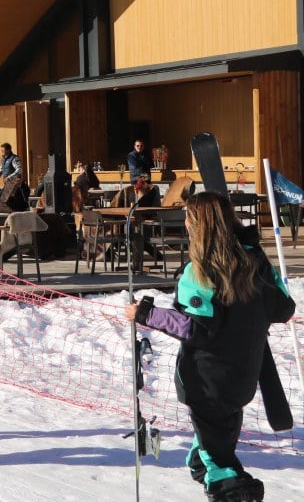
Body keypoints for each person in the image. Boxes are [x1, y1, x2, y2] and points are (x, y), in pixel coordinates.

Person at [125, 192, 295, 501]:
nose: (186, 225)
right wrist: (264, 262)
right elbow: (284, 308)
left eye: (188, 219)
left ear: (197, 225)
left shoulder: (200, 272)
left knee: (219, 466)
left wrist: (147, 314)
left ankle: (232, 489)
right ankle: (207, 466)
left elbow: (195, 328)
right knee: (206, 453)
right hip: (241, 382)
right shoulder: (255, 264)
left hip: (206, 384)